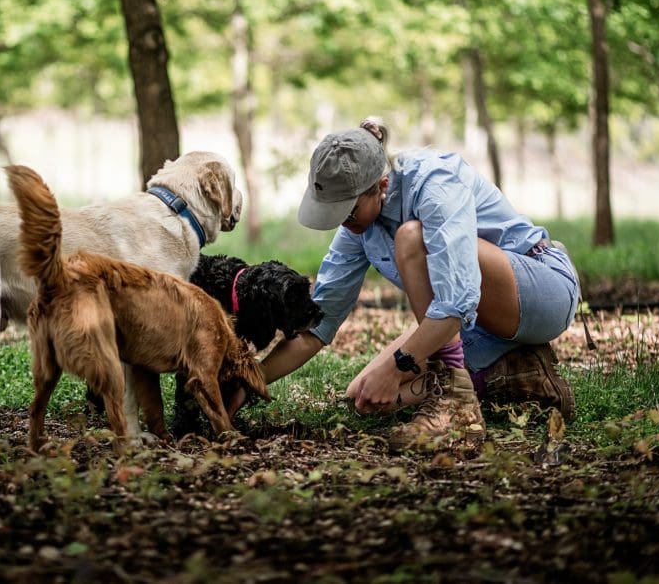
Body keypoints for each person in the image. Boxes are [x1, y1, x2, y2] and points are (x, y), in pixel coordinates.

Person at [232, 116, 579, 450]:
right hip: (477, 322)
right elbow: (317, 327)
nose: (344, 223)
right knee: (364, 396)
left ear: (381, 185)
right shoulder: (358, 227)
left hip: (540, 291)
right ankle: (515, 373)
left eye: (348, 211)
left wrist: (396, 363)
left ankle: (457, 409)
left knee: (411, 236)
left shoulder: (434, 182)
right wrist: (247, 382)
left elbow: (457, 300)